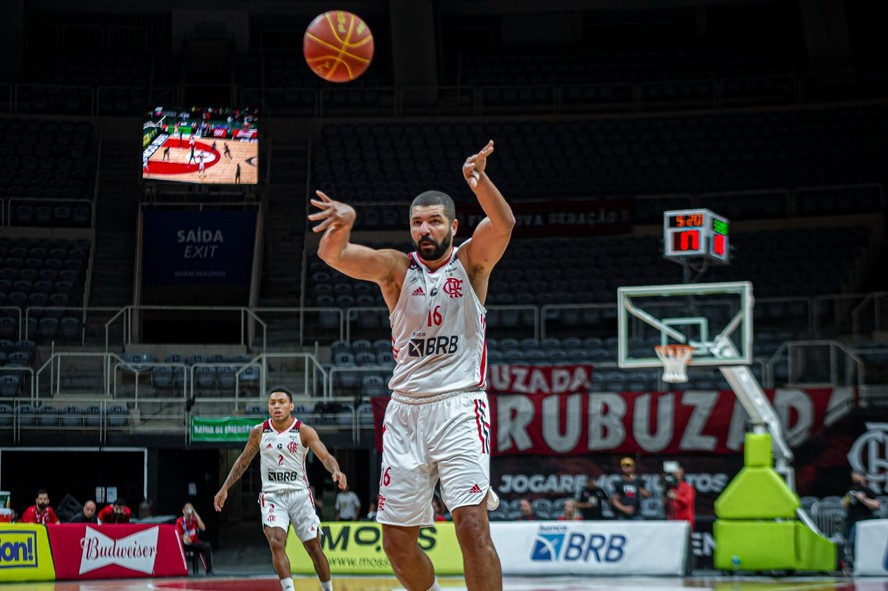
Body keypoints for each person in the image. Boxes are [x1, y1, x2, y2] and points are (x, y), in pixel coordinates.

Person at [309, 140, 513, 591]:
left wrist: (479, 183)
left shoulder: (472, 265)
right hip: (405, 413)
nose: (424, 229)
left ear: (453, 226)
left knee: (471, 526)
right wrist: (341, 226)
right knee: (396, 543)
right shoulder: (398, 269)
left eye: (434, 221)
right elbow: (334, 256)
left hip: (460, 408)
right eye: (417, 222)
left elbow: (504, 224)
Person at [214, 387, 347, 591]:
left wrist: (335, 471)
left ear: (291, 406)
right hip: (272, 495)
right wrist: (224, 488)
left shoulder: (303, 430)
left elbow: (326, 457)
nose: (277, 406)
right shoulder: (259, 432)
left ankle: (328, 588)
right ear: (268, 407)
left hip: (299, 495)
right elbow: (243, 461)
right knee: (276, 542)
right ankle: (288, 589)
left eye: (281, 402)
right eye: (272, 402)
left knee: (313, 548)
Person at [842, 470, 881, 566]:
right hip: (850, 520)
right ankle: (852, 562)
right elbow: (844, 504)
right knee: (849, 542)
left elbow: (876, 505)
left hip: (862, 521)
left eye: (856, 475)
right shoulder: (851, 490)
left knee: (855, 542)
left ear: (862, 477)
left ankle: (860, 562)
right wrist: (848, 499)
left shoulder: (867, 490)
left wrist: (863, 499)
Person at [176, 502, 214, 575]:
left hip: (194, 542)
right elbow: (177, 534)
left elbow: (203, 528)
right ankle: (181, 571)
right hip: (184, 544)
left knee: (207, 546)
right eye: (187, 508)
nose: (189, 509)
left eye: (191, 508)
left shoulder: (194, 519)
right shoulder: (179, 521)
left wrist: (195, 514)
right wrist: (183, 537)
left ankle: (209, 571)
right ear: (183, 511)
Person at [663, 464, 695, 528]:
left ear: (682, 474)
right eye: (674, 473)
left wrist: (676, 497)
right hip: (672, 520)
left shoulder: (688, 487)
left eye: (678, 473)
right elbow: (664, 504)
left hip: (685, 520)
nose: (676, 475)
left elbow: (687, 501)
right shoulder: (670, 487)